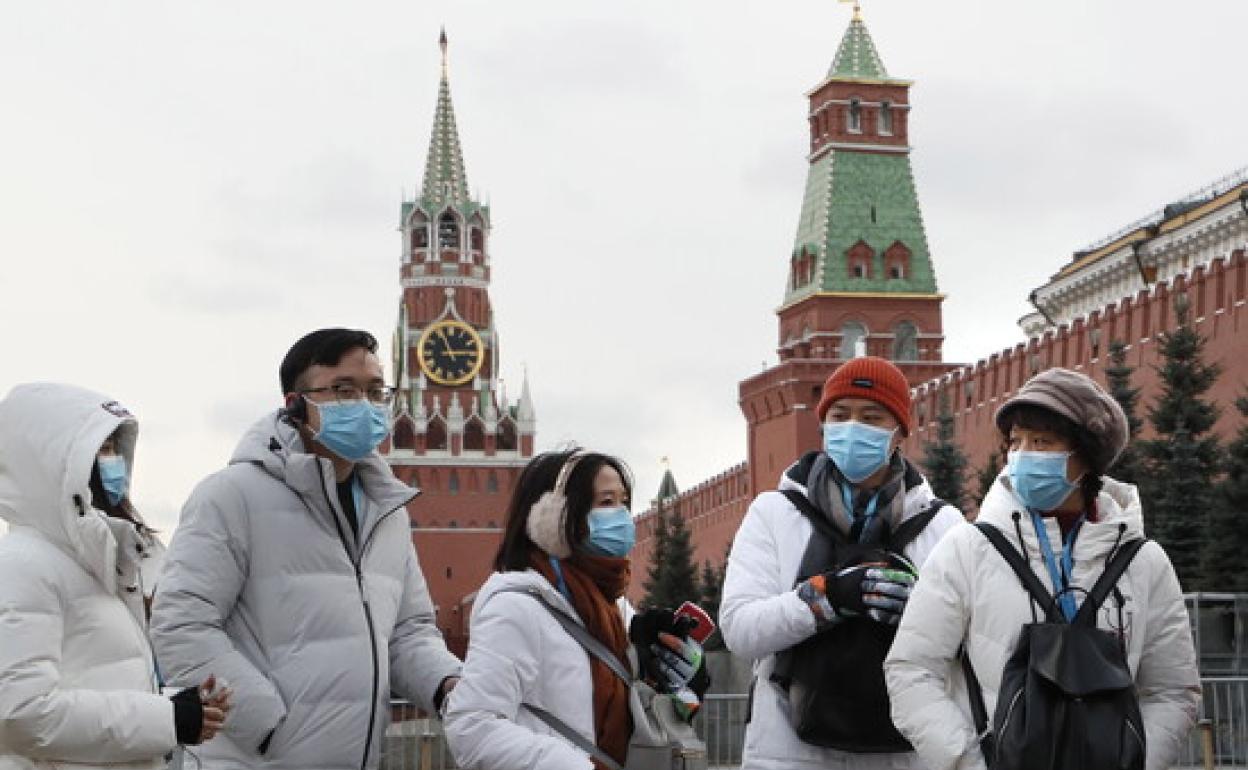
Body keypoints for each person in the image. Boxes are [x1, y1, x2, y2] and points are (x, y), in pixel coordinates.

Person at [150, 328, 461, 770]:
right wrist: (269, 727)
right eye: (343, 390)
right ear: (295, 405)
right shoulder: (231, 496)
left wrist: (449, 684)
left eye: (376, 392)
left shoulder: (387, 511)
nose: (364, 406)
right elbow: (179, 626)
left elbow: (408, 633)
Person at [885, 367, 1201, 770]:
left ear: (1085, 456)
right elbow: (911, 669)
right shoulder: (969, 549)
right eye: (1015, 442)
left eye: (1042, 442)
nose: (1022, 456)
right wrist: (966, 762)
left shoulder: (1143, 562)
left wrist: (1135, 760)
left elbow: (1172, 690)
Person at [720, 356, 964, 770]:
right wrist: (825, 598)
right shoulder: (777, 513)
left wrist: (920, 611)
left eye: (872, 417)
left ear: (900, 432)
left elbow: (972, 643)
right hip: (788, 752)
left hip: (904, 754)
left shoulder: (942, 525)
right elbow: (741, 630)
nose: (853, 428)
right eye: (840, 415)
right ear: (823, 425)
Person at [0, 383, 229, 770]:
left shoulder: (98, 565)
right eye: (100, 450)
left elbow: (96, 678)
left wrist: (178, 705)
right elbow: (19, 714)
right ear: (49, 463)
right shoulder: (23, 564)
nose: (114, 463)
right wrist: (167, 720)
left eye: (114, 449)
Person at [443, 449, 708, 770]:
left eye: (624, 502)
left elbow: (628, 716)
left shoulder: (613, 608)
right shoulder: (515, 608)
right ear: (552, 519)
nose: (623, 516)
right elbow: (472, 728)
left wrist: (675, 687)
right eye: (607, 502)